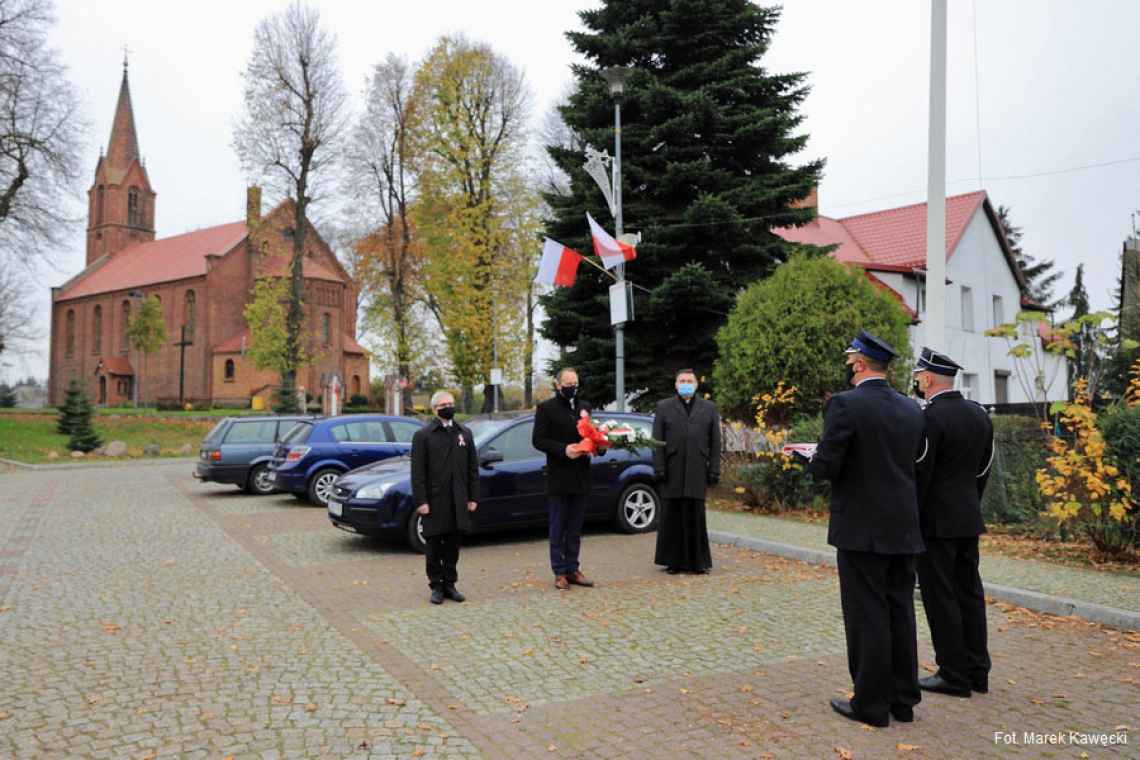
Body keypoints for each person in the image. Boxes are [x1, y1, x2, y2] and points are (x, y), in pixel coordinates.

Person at [804, 330, 927, 728]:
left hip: (861, 527)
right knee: (899, 610)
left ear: (858, 364)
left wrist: (811, 457)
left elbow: (828, 466)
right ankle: (903, 700)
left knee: (866, 614)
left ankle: (871, 704)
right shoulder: (912, 408)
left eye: (849, 362)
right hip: (904, 525)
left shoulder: (845, 405)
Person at [912, 347, 995, 697]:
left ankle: (953, 674)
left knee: (940, 596)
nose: (916, 382)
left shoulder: (929, 418)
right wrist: (969, 502)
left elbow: (921, 471)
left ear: (928, 378)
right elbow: (983, 469)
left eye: (917, 377)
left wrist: (913, 514)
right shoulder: (979, 415)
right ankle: (978, 671)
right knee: (970, 594)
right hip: (967, 517)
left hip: (935, 522)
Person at [410, 390, 478, 605]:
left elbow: (472, 469)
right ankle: (436, 585)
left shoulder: (464, 433)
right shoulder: (424, 436)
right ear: (434, 409)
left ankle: (450, 583)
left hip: (458, 500)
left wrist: (473, 497)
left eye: (450, 403)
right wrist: (421, 502)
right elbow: (417, 472)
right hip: (434, 501)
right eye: (443, 405)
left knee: (452, 546)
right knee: (433, 547)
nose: (448, 407)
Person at [652, 368, 721, 574]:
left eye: (689, 380)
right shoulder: (663, 407)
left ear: (696, 384)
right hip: (672, 469)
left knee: (695, 514)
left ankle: (698, 562)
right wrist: (659, 467)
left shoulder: (708, 408)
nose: (685, 383)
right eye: (681, 380)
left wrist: (714, 469)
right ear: (675, 384)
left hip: (697, 468)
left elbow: (715, 442)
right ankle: (674, 561)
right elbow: (657, 441)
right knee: (673, 515)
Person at [532, 367, 595, 590]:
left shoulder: (584, 407)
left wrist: (598, 446)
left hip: (580, 476)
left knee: (575, 527)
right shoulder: (546, 409)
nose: (572, 388)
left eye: (575, 384)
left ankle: (573, 568)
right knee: (558, 526)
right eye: (567, 384)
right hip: (559, 477)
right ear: (558, 385)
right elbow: (538, 440)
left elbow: (591, 435)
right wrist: (563, 449)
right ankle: (559, 572)